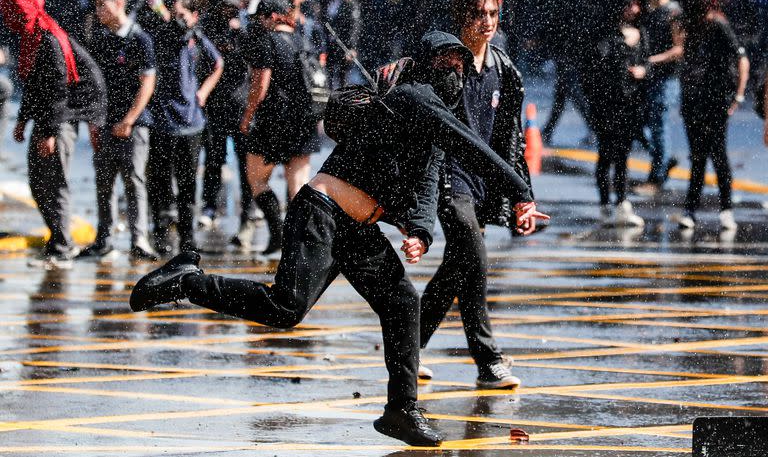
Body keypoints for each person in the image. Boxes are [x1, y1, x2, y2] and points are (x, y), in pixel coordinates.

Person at [129, 31, 548, 447]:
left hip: (356, 230)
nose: (453, 72)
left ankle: (401, 411)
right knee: (286, 307)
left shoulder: (427, 112)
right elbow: (470, 145)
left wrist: (420, 231)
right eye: (445, 63)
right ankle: (187, 280)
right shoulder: (415, 96)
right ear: (424, 65)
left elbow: (429, 178)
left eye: (458, 65)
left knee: (402, 303)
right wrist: (521, 193)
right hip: (322, 213)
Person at [417, 0, 537, 389]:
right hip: (450, 174)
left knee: (460, 264)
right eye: (478, 14)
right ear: (461, 18)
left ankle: (408, 343)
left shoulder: (505, 70)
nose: (486, 23)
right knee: (474, 254)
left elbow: (513, 140)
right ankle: (489, 360)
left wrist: (524, 196)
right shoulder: (447, 64)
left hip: (484, 179)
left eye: (492, 14)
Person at [2, 0, 107, 269]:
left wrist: (49, 133)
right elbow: (35, 87)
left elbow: (58, 90)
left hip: (62, 119)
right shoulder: (31, 37)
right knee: (38, 182)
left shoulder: (48, 39)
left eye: (11, 9)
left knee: (54, 182)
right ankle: (57, 241)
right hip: (49, 118)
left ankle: (63, 249)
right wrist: (23, 120)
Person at [79, 0, 158, 261]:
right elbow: (94, 86)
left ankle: (140, 240)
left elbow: (147, 84)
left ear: (119, 3)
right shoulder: (101, 40)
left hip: (135, 126)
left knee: (134, 181)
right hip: (105, 122)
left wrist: (129, 119)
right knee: (104, 182)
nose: (98, 11)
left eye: (103, 5)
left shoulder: (140, 39)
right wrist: (93, 122)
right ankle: (104, 239)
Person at [146, 0, 223, 254]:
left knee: (188, 183)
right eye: (174, 13)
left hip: (191, 124)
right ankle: (160, 230)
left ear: (194, 15)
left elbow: (218, 64)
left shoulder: (198, 39)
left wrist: (203, 91)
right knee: (159, 179)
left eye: (183, 15)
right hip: (163, 121)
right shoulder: (161, 36)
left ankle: (188, 237)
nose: (179, 19)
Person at [238, 0, 319, 255]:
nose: (259, 23)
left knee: (257, 179)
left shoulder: (267, 41)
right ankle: (300, 241)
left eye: (261, 18)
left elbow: (260, 87)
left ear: (272, 17)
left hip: (273, 120)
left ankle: (278, 233)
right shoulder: (302, 41)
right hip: (303, 120)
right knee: (298, 185)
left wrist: (248, 116)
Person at [677, 0, 749, 231]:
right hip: (692, 100)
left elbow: (742, 58)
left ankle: (726, 209)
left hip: (716, 99)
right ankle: (690, 210)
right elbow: (684, 59)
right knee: (697, 157)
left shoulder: (717, 25)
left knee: (718, 155)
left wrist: (738, 96)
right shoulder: (688, 25)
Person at [197, 0, 255, 238]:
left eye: (232, 7)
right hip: (216, 104)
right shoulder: (206, 27)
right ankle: (209, 206)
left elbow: (255, 58)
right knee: (214, 159)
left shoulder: (243, 28)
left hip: (240, 104)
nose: (229, 12)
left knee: (245, 163)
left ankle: (249, 210)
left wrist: (241, 32)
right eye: (225, 7)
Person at [591, 0, 648, 227]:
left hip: (632, 104)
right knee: (606, 154)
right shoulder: (603, 33)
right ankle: (605, 203)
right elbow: (595, 67)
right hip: (607, 104)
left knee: (624, 154)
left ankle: (622, 202)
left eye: (636, 3)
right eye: (629, 3)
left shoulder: (641, 32)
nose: (634, 9)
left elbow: (648, 62)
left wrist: (643, 71)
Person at [635, 0, 683, 195]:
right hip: (647, 78)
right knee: (638, 125)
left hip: (666, 78)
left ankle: (657, 178)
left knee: (659, 126)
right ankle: (664, 158)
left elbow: (679, 48)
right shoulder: (645, 10)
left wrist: (651, 60)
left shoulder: (673, 11)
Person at [321, 0, 361, 89]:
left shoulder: (350, 2)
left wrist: (351, 47)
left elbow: (355, 26)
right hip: (330, 43)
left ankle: (342, 101)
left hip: (344, 43)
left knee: (343, 76)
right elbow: (323, 21)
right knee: (329, 74)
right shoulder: (327, 0)